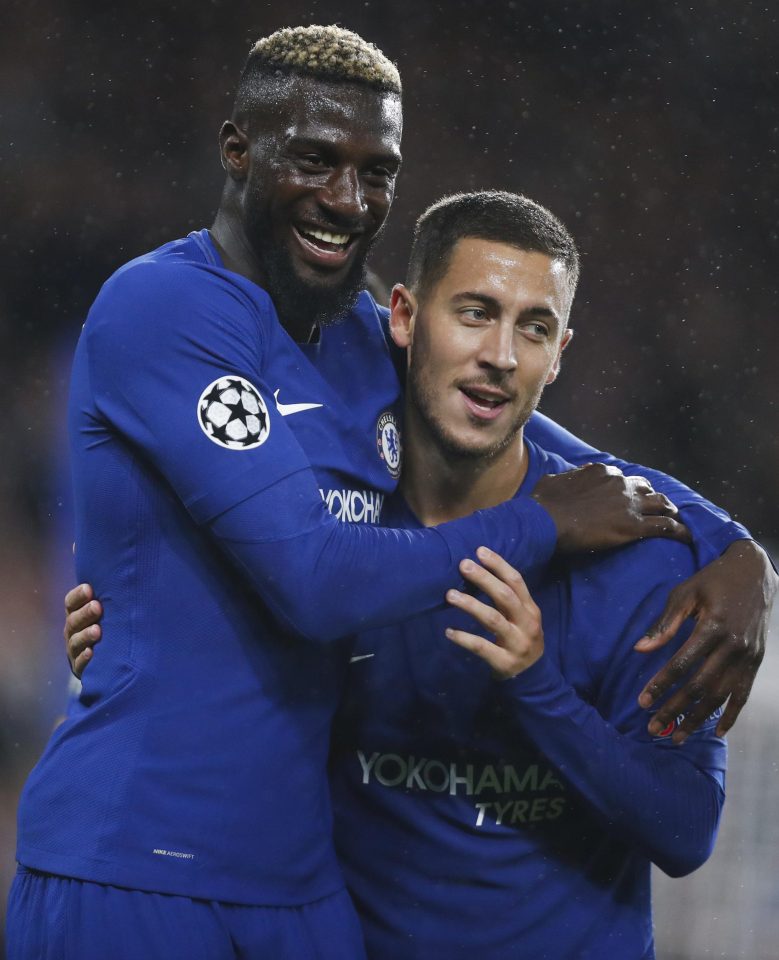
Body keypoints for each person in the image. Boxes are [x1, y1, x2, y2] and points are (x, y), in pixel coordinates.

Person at [17, 23, 774, 959]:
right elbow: (315, 577)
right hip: (137, 864)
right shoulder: (163, 307)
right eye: (314, 159)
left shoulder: (362, 334)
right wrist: (537, 527)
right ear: (235, 149)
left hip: (299, 888)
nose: (346, 198)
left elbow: (521, 426)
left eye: (376, 172)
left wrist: (735, 550)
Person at [327, 191, 736, 958]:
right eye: (475, 312)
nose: (502, 355)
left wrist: (537, 689)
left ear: (560, 353)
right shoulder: (332, 531)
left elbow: (685, 831)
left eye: (534, 328)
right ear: (405, 318)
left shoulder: (644, 559)